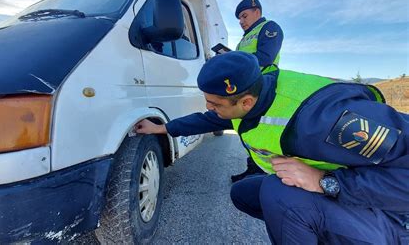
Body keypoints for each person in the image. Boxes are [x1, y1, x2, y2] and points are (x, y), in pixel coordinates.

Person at [135, 51, 409, 244]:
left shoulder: (329, 119)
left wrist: (324, 181)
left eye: (215, 103)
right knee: (246, 192)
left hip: (393, 217)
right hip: (356, 198)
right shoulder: (257, 90)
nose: (210, 108)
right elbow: (211, 119)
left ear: (246, 104)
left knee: (279, 194)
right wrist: (163, 128)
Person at [231, 0, 284, 182]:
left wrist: (235, 60)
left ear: (257, 12)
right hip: (247, 86)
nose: (241, 22)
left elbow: (266, 57)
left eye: (244, 16)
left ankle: (266, 173)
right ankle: (253, 169)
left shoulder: (269, 27)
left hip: (264, 84)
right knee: (247, 130)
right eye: (239, 19)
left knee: (261, 131)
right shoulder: (243, 40)